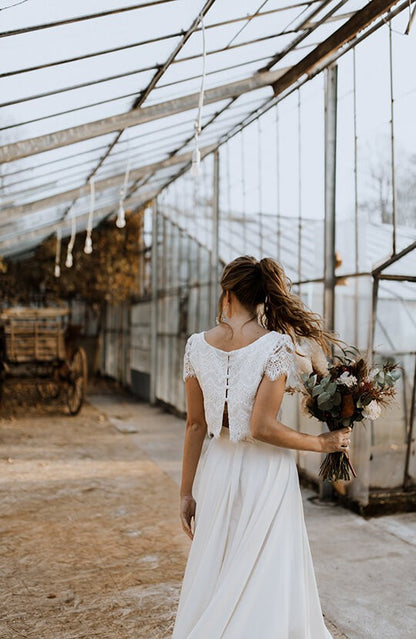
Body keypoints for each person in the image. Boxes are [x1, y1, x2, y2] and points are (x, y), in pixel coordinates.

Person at [172, 256, 351, 639]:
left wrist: (186, 492)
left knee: (219, 560)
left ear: (227, 292)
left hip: (217, 466)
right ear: (260, 297)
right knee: (267, 565)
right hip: (265, 473)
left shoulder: (196, 346)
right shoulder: (275, 346)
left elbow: (195, 424)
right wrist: (321, 443)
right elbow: (262, 427)